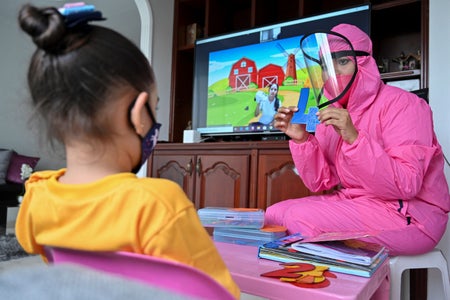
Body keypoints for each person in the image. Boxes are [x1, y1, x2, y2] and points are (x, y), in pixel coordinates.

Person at [15, 4, 239, 299]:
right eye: (154, 108)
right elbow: (218, 294)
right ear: (138, 114)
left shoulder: (37, 197)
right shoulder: (159, 204)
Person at [266, 23, 450, 257]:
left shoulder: (405, 105)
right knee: (274, 215)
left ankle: (344, 293)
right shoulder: (332, 111)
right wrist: (302, 140)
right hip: (358, 203)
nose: (334, 73)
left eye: (343, 61)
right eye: (325, 65)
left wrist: (354, 138)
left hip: (411, 215)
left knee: (297, 219)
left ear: (363, 64)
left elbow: (407, 184)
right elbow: (322, 182)